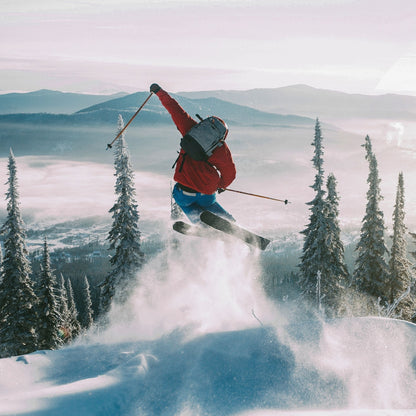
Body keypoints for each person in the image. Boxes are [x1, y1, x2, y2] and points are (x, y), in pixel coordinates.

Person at [150, 83, 236, 223]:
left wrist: (159, 92)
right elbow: (230, 173)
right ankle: (230, 222)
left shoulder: (190, 129)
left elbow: (174, 109)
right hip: (207, 192)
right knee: (210, 204)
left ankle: (199, 224)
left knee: (183, 201)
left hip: (185, 192)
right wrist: (221, 185)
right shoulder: (221, 148)